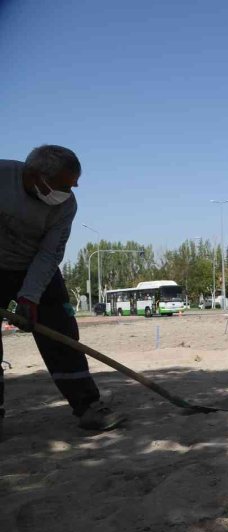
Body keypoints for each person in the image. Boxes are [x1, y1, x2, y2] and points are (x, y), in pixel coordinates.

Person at [1, 145, 125, 438]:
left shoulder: (66, 206)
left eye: (72, 186)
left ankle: (88, 407)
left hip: (34, 268)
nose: (68, 192)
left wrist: (29, 296)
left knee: (63, 335)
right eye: (63, 185)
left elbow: (49, 254)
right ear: (34, 175)